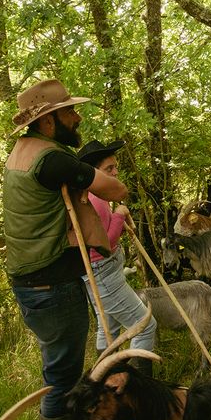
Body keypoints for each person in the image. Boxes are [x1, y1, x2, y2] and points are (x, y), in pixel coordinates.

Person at [3, 79, 128, 420]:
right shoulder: (51, 159)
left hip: (31, 280)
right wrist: (116, 191)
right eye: (69, 111)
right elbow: (114, 188)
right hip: (51, 284)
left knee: (57, 365)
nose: (77, 118)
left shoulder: (21, 150)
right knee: (64, 375)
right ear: (46, 121)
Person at [76, 139, 157, 370]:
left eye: (115, 167)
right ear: (94, 173)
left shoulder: (88, 195)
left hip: (96, 273)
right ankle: (139, 386)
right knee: (145, 325)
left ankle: (106, 381)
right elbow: (105, 242)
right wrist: (120, 214)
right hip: (103, 273)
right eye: (108, 169)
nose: (115, 172)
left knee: (108, 329)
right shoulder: (96, 199)